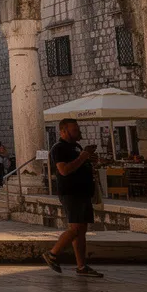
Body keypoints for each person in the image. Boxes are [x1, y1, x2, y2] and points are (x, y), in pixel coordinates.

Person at [44, 118, 103, 277]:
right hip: (71, 192)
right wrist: (83, 157)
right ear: (63, 131)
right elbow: (64, 170)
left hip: (83, 192)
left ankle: (81, 266)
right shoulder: (59, 148)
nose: (78, 132)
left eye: (77, 129)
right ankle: (52, 253)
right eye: (74, 130)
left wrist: (90, 160)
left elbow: (80, 165)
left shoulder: (76, 147)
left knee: (81, 231)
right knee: (76, 229)